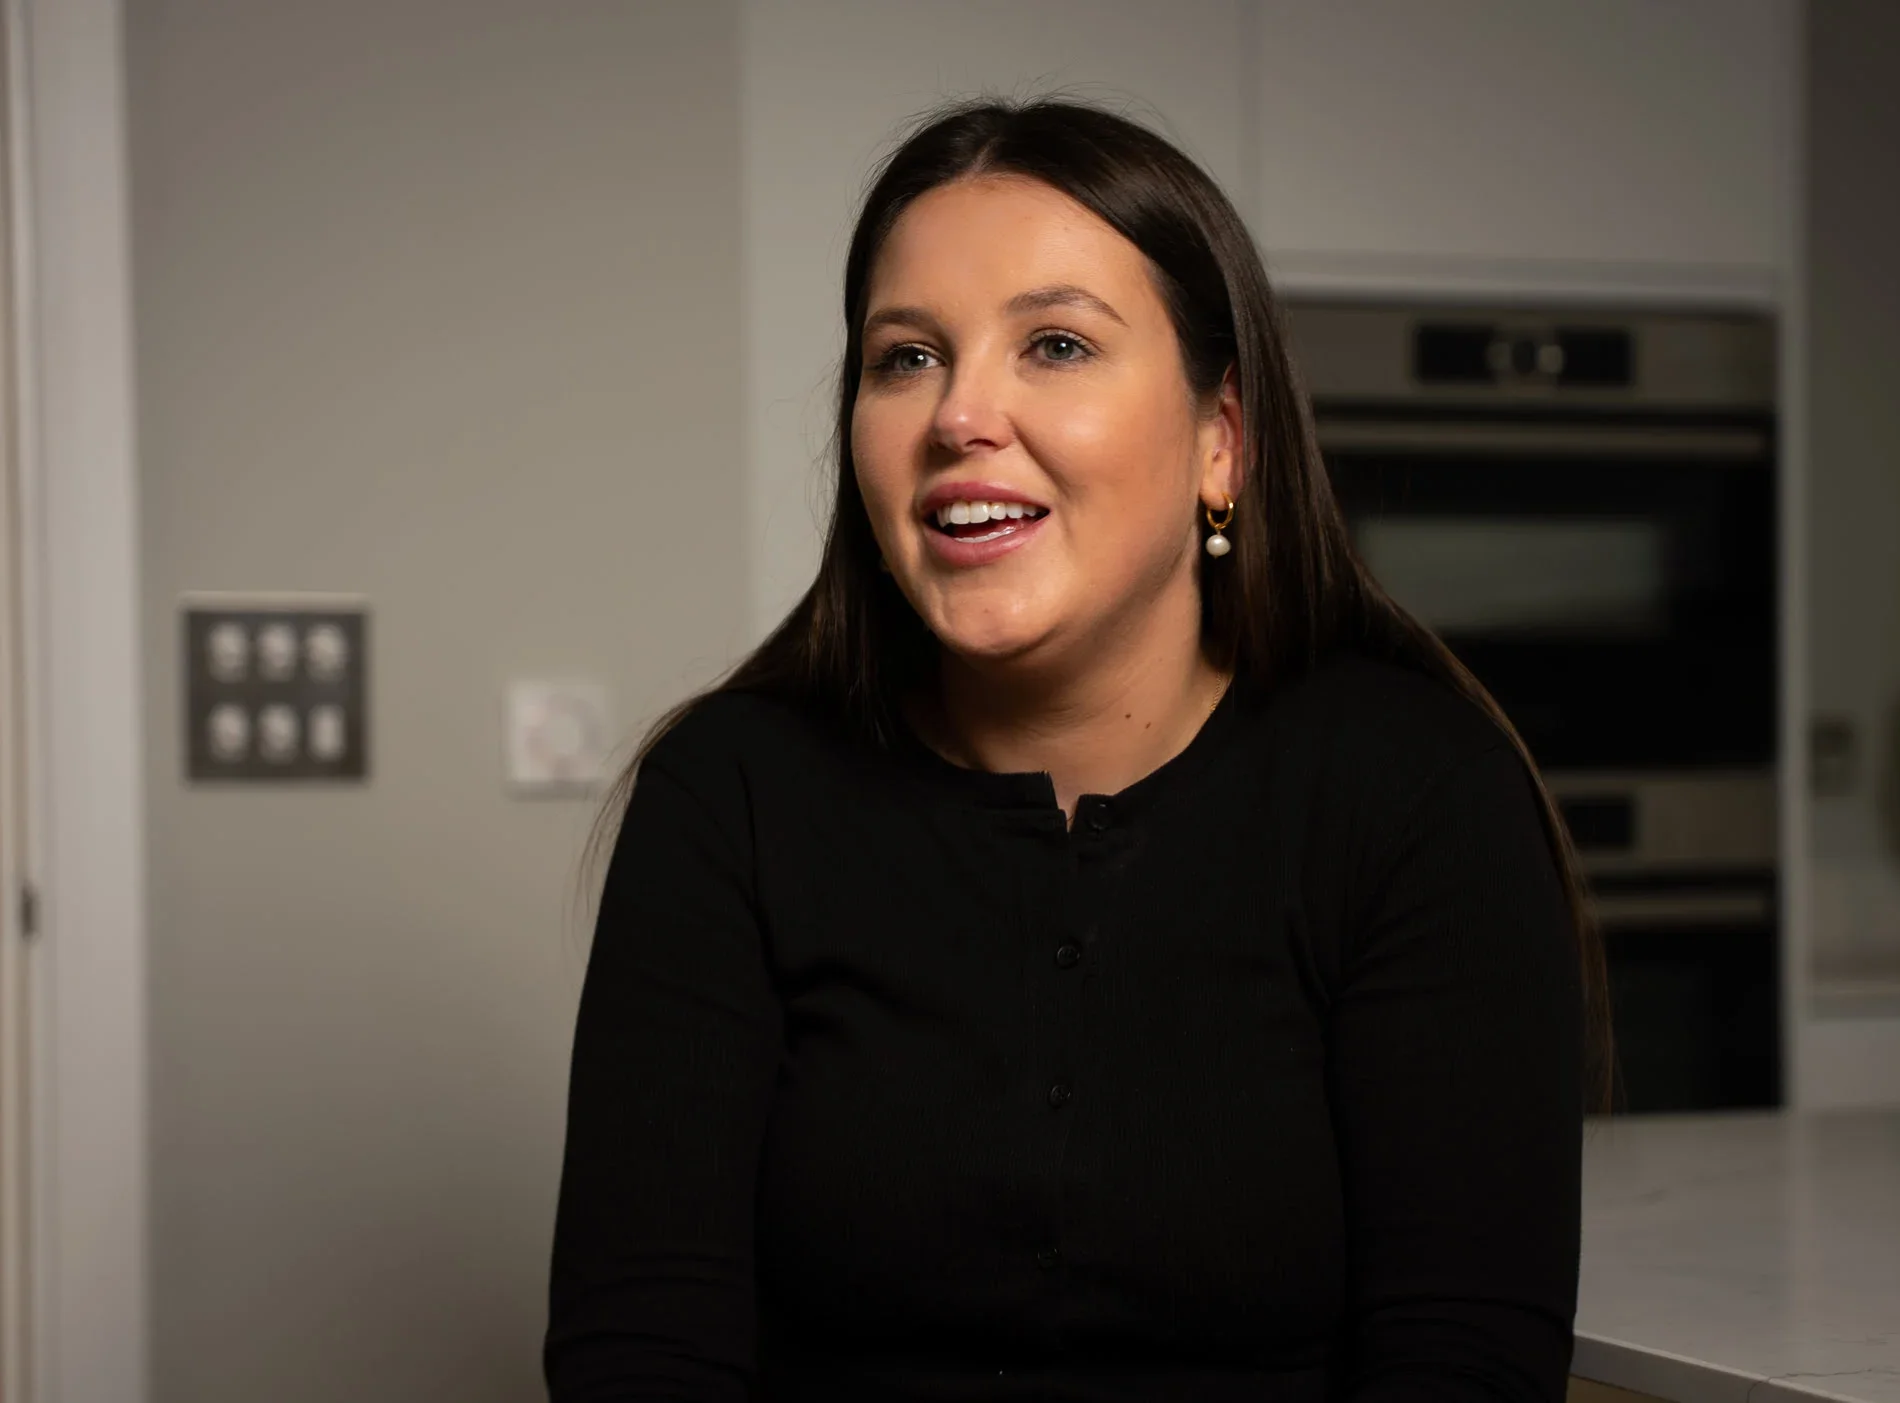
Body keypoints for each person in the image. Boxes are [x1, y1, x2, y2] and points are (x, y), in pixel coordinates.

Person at [543, 96, 1608, 1403]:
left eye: (1054, 343)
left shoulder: (1415, 794)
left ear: (1223, 442)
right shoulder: (730, 796)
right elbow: (640, 1354)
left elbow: (1466, 1362)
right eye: (906, 357)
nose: (959, 416)